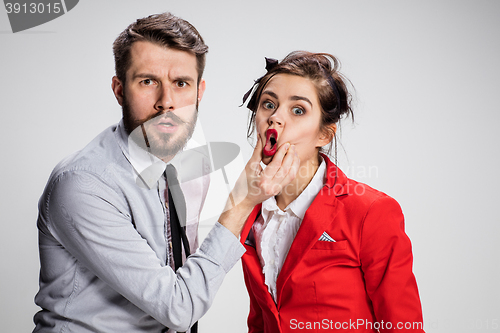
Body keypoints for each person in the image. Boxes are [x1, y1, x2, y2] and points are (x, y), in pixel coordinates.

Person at [33, 13, 299, 333]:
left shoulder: (176, 166)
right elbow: (178, 307)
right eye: (148, 81)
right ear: (119, 89)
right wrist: (242, 201)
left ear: (199, 91)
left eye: (181, 83)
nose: (166, 102)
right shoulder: (84, 184)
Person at [240, 52, 425, 332]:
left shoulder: (370, 212)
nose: (275, 118)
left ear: (324, 135)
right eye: (268, 104)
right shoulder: (249, 211)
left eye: (298, 110)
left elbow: (403, 324)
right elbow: (260, 319)